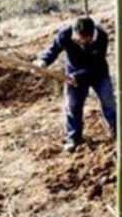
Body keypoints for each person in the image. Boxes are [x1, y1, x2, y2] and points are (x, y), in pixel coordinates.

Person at [37, 17, 117, 152]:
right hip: (72, 74)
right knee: (72, 105)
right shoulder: (67, 33)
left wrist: (78, 76)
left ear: (91, 36)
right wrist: (43, 61)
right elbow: (54, 48)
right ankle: (74, 138)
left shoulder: (102, 36)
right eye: (78, 38)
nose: (80, 41)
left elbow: (96, 63)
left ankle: (117, 132)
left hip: (98, 72)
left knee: (108, 102)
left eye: (84, 40)